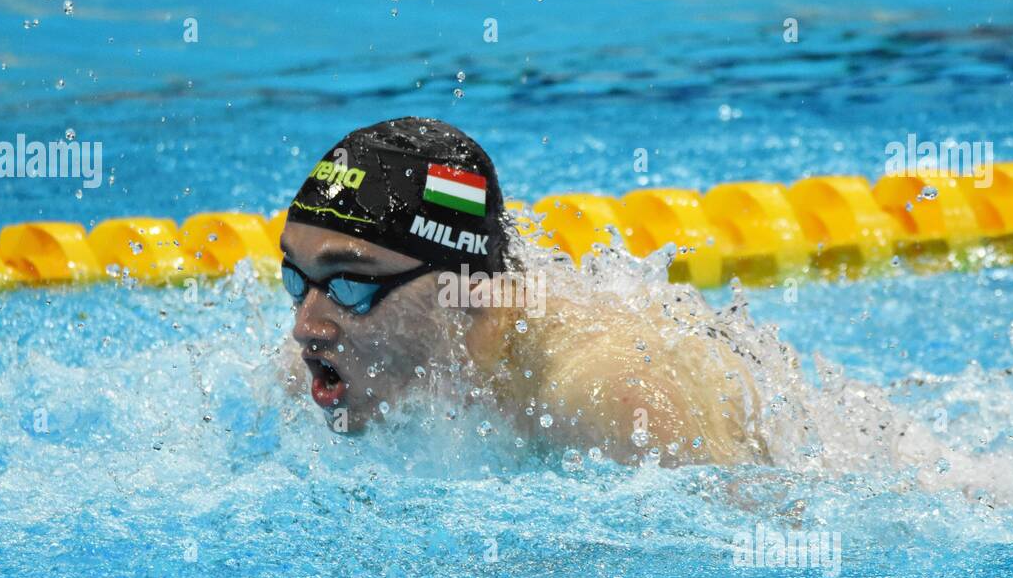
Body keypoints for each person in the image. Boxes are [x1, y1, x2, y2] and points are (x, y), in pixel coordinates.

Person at [277, 116, 767, 466]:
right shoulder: (314, 373)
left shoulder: (613, 401)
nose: (305, 327)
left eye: (350, 284)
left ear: (467, 293)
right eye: (296, 279)